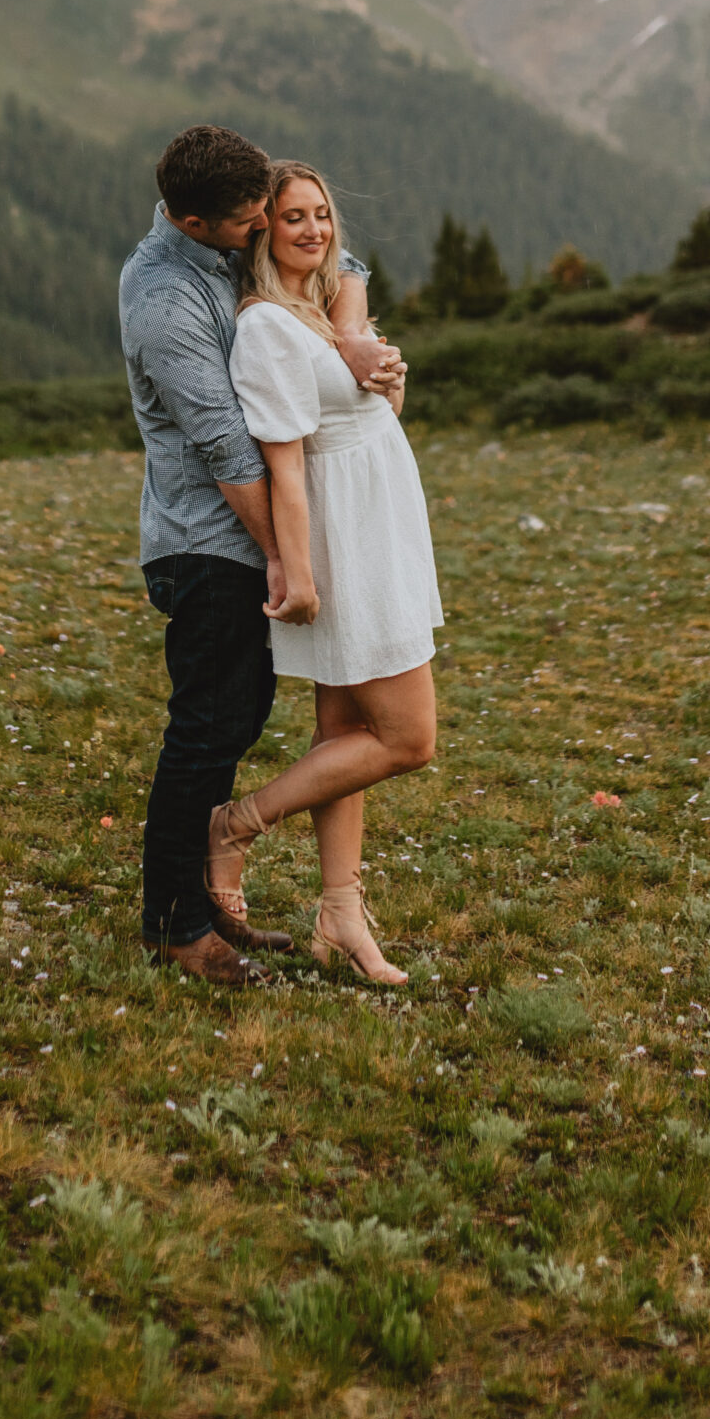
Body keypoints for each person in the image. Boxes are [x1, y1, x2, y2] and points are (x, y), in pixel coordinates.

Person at [119, 124, 402, 985]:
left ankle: (201, 904)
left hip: (245, 540)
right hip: (207, 543)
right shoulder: (167, 300)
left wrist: (349, 337)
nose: (261, 231)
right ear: (196, 219)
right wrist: (286, 555)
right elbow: (226, 448)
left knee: (236, 721)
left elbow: (339, 263)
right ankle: (174, 924)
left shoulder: (222, 245)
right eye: (248, 223)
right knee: (205, 729)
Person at [205, 159, 441, 986]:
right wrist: (295, 572)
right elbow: (288, 467)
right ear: (263, 227)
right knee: (407, 740)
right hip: (348, 540)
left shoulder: (317, 312)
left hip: (382, 520)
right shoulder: (268, 326)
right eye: (294, 217)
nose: (313, 230)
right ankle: (235, 825)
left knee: (344, 736)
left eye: (322, 215)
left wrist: (389, 382)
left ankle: (340, 912)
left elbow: (365, 415)